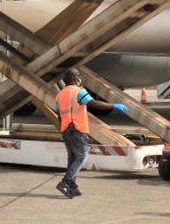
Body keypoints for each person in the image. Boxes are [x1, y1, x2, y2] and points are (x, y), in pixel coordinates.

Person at [54, 67, 129, 198]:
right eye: (78, 77)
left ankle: (72, 186)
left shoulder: (59, 95)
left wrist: (63, 129)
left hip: (66, 129)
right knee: (82, 157)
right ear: (74, 79)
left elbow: (59, 114)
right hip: (77, 129)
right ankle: (65, 182)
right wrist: (113, 106)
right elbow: (94, 104)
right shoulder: (79, 92)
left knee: (72, 158)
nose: (80, 79)